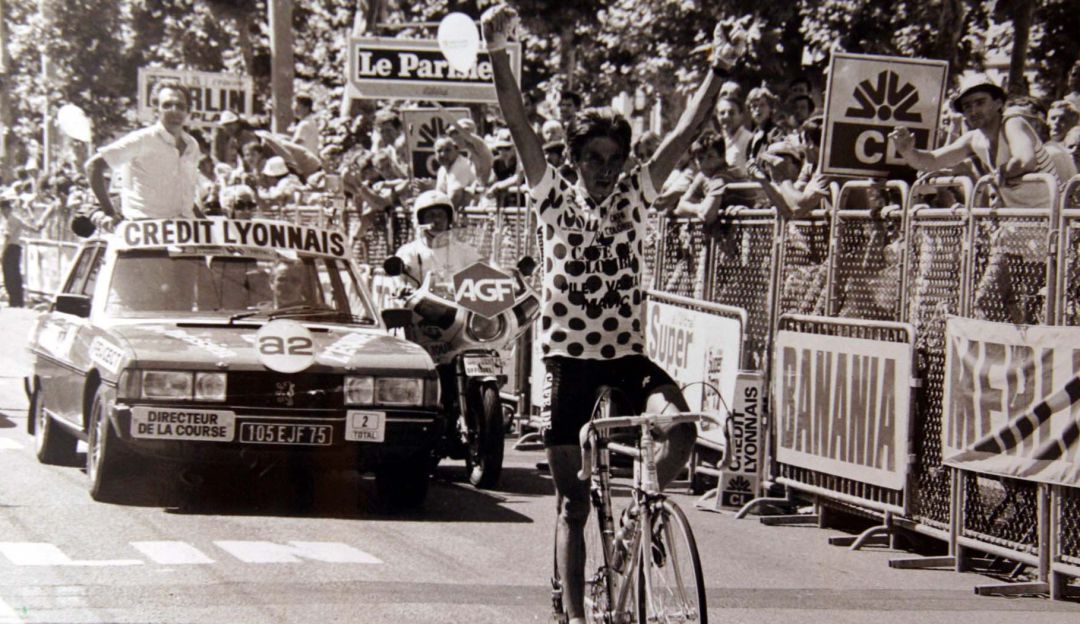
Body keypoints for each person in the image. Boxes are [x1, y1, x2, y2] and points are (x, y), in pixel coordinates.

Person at [482, 5, 743, 622]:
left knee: (679, 430)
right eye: (592, 159)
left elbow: (682, 132)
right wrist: (498, 50)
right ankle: (574, 615)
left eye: (613, 159)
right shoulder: (552, 197)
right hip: (569, 362)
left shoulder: (636, 194)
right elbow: (518, 123)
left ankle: (640, 515)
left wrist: (720, 66)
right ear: (574, 162)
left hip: (626, 357)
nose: (604, 171)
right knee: (573, 503)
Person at [890, 74, 1063, 209]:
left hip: (1050, 217)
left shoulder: (1013, 122)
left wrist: (998, 174)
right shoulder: (974, 139)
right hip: (1016, 222)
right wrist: (908, 151)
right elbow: (931, 161)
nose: (973, 111)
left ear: (998, 103)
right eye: (967, 106)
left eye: (980, 102)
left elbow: (1025, 161)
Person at [86, 80, 201, 227]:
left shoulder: (192, 146)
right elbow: (93, 166)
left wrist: (210, 228)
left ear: (187, 111)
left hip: (183, 233)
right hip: (144, 234)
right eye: (167, 105)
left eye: (180, 106)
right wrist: (110, 213)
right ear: (156, 110)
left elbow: (186, 196)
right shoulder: (142, 139)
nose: (174, 110)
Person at [393, 190, 483, 288]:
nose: (437, 220)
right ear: (420, 220)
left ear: (449, 219)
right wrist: (403, 287)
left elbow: (482, 278)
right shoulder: (408, 252)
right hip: (420, 303)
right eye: (430, 216)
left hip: (452, 302)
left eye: (441, 215)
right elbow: (397, 285)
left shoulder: (465, 251)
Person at [0, 191, 43, 308]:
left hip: (10, 248)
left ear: (5, 208)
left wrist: (2, 253)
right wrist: (37, 229)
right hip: (16, 248)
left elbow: (7, 237)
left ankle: (14, 300)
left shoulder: (10, 220)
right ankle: (18, 300)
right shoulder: (16, 218)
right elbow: (28, 227)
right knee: (16, 274)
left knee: (9, 275)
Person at [715, 96, 753, 175]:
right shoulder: (716, 140)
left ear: (741, 115)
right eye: (722, 113)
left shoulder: (749, 139)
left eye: (731, 113)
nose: (726, 116)